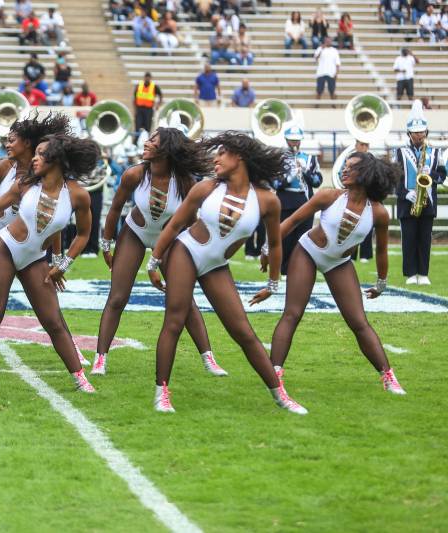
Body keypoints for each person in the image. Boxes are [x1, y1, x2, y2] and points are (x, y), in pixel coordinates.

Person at [146, 131, 307, 415]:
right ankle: (162, 393)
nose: (216, 159)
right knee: (174, 320)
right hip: (185, 252)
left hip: (216, 265)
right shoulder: (206, 188)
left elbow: (275, 244)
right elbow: (174, 227)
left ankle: (280, 395)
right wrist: (154, 261)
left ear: (240, 157)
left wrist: (273, 282)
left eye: (222, 153)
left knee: (243, 332)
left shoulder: (268, 200)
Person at [265, 152, 406, 396]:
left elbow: (381, 251)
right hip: (308, 252)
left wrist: (381, 284)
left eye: (351, 168)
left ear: (365, 174)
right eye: (345, 166)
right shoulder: (329, 196)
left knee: (359, 322)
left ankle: (388, 376)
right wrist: (268, 248)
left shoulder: (379, 212)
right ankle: (274, 374)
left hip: (339, 262)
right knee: (292, 313)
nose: (344, 170)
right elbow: (294, 220)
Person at [0, 134, 100, 395]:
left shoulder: (77, 195)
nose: (34, 158)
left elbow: (84, 235)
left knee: (53, 321)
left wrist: (62, 264)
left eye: (41, 154)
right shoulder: (26, 184)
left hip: (34, 259)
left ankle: (80, 378)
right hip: (5, 249)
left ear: (56, 160)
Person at [94, 127, 227, 377]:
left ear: (165, 149)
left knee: (184, 300)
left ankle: (209, 358)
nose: (145, 143)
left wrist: (186, 256)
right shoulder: (134, 174)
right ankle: (100, 358)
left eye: (152, 141)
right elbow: (114, 210)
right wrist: (106, 244)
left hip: (168, 240)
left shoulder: (186, 181)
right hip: (135, 233)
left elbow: (190, 221)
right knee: (117, 297)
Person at [0, 113, 72, 370]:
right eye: (6, 140)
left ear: (28, 144)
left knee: (47, 294)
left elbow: (53, 222)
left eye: (12, 140)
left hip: (18, 238)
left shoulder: (45, 173)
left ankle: (70, 349)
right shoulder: (2, 168)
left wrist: (55, 259)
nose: (7, 144)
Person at [393, 100, 446, 285]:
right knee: (408, 239)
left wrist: (429, 173)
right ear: (409, 133)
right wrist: (405, 193)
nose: (419, 135)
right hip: (407, 201)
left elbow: (441, 176)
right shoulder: (399, 152)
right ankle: (410, 274)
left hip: (428, 201)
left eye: (422, 132)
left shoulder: (435, 152)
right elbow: (394, 178)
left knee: (424, 239)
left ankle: (423, 274)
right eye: (416, 132)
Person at [276, 126, 322, 275]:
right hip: (285, 201)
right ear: (286, 140)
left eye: (297, 141)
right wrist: (290, 176)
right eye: (291, 141)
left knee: (303, 237)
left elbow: (317, 181)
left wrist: (305, 172)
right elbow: (274, 183)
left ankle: (300, 269)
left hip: (305, 201)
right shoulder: (278, 159)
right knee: (285, 237)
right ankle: (283, 269)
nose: (294, 144)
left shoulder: (310, 159)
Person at [314, 36, 340, 101]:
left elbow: (337, 63)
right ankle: (316, 105)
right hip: (321, 72)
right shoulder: (319, 49)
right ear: (324, 41)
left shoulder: (334, 51)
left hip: (331, 73)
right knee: (319, 90)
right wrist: (322, 49)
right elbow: (316, 58)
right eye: (327, 41)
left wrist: (336, 73)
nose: (328, 42)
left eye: (329, 41)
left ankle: (333, 105)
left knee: (332, 91)